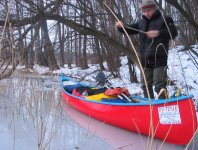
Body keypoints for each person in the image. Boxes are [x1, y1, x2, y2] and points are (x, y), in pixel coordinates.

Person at [115, 0, 177, 99]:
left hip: (159, 59)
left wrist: (158, 33)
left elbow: (173, 32)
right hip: (145, 60)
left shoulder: (165, 19)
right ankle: (150, 106)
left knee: (159, 86)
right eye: (144, 11)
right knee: (145, 86)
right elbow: (129, 29)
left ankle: (164, 107)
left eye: (149, 10)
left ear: (154, 8)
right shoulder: (142, 23)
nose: (146, 13)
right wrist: (120, 27)